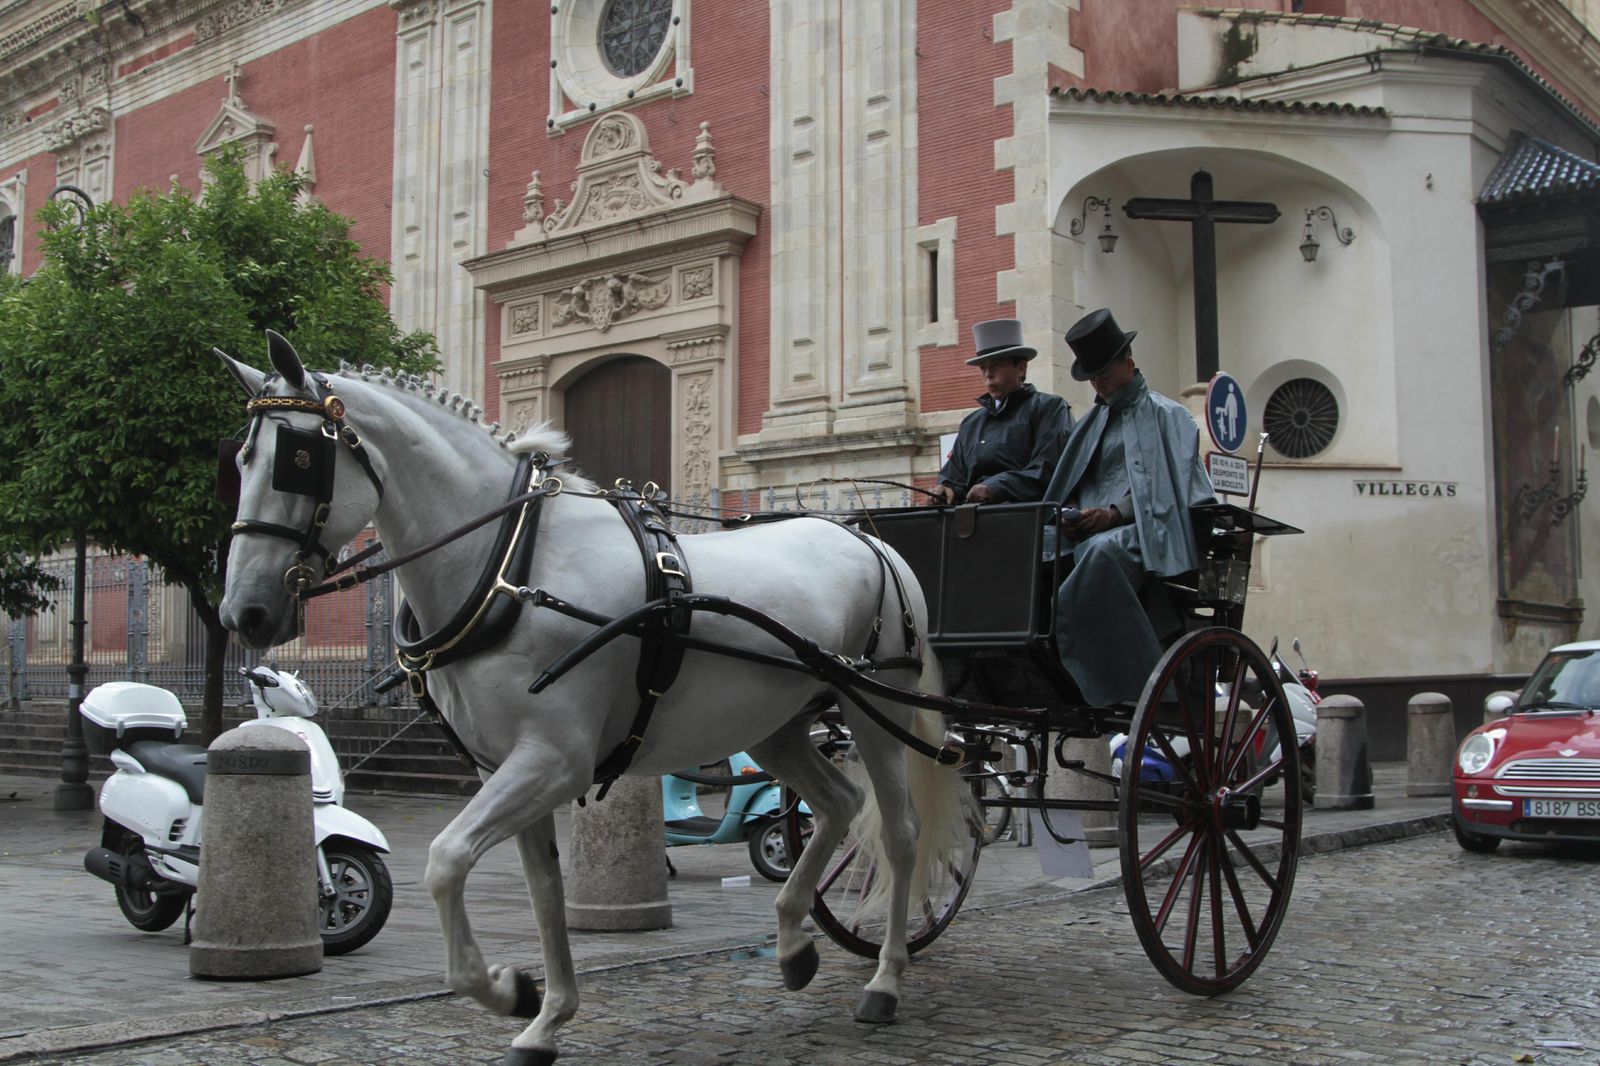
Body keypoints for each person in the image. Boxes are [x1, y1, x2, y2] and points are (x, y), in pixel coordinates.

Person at [1042, 308, 1215, 707]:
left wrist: (1115, 514)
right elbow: (1070, 485)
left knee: (1101, 552)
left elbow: (1176, 492)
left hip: (1148, 534)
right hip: (1088, 535)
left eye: (1104, 375)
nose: (1099, 387)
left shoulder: (1169, 415)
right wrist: (1069, 518)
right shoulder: (1090, 423)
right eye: (1093, 380)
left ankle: (1133, 686)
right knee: (1031, 549)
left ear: (1129, 364)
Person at [932, 319, 1072, 505]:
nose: (988, 373)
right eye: (983, 367)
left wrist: (995, 488)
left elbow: (1048, 468)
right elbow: (955, 474)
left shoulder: (1049, 408)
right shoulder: (971, 424)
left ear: (1021, 368)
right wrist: (946, 488)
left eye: (997, 364)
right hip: (973, 521)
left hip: (1028, 519)